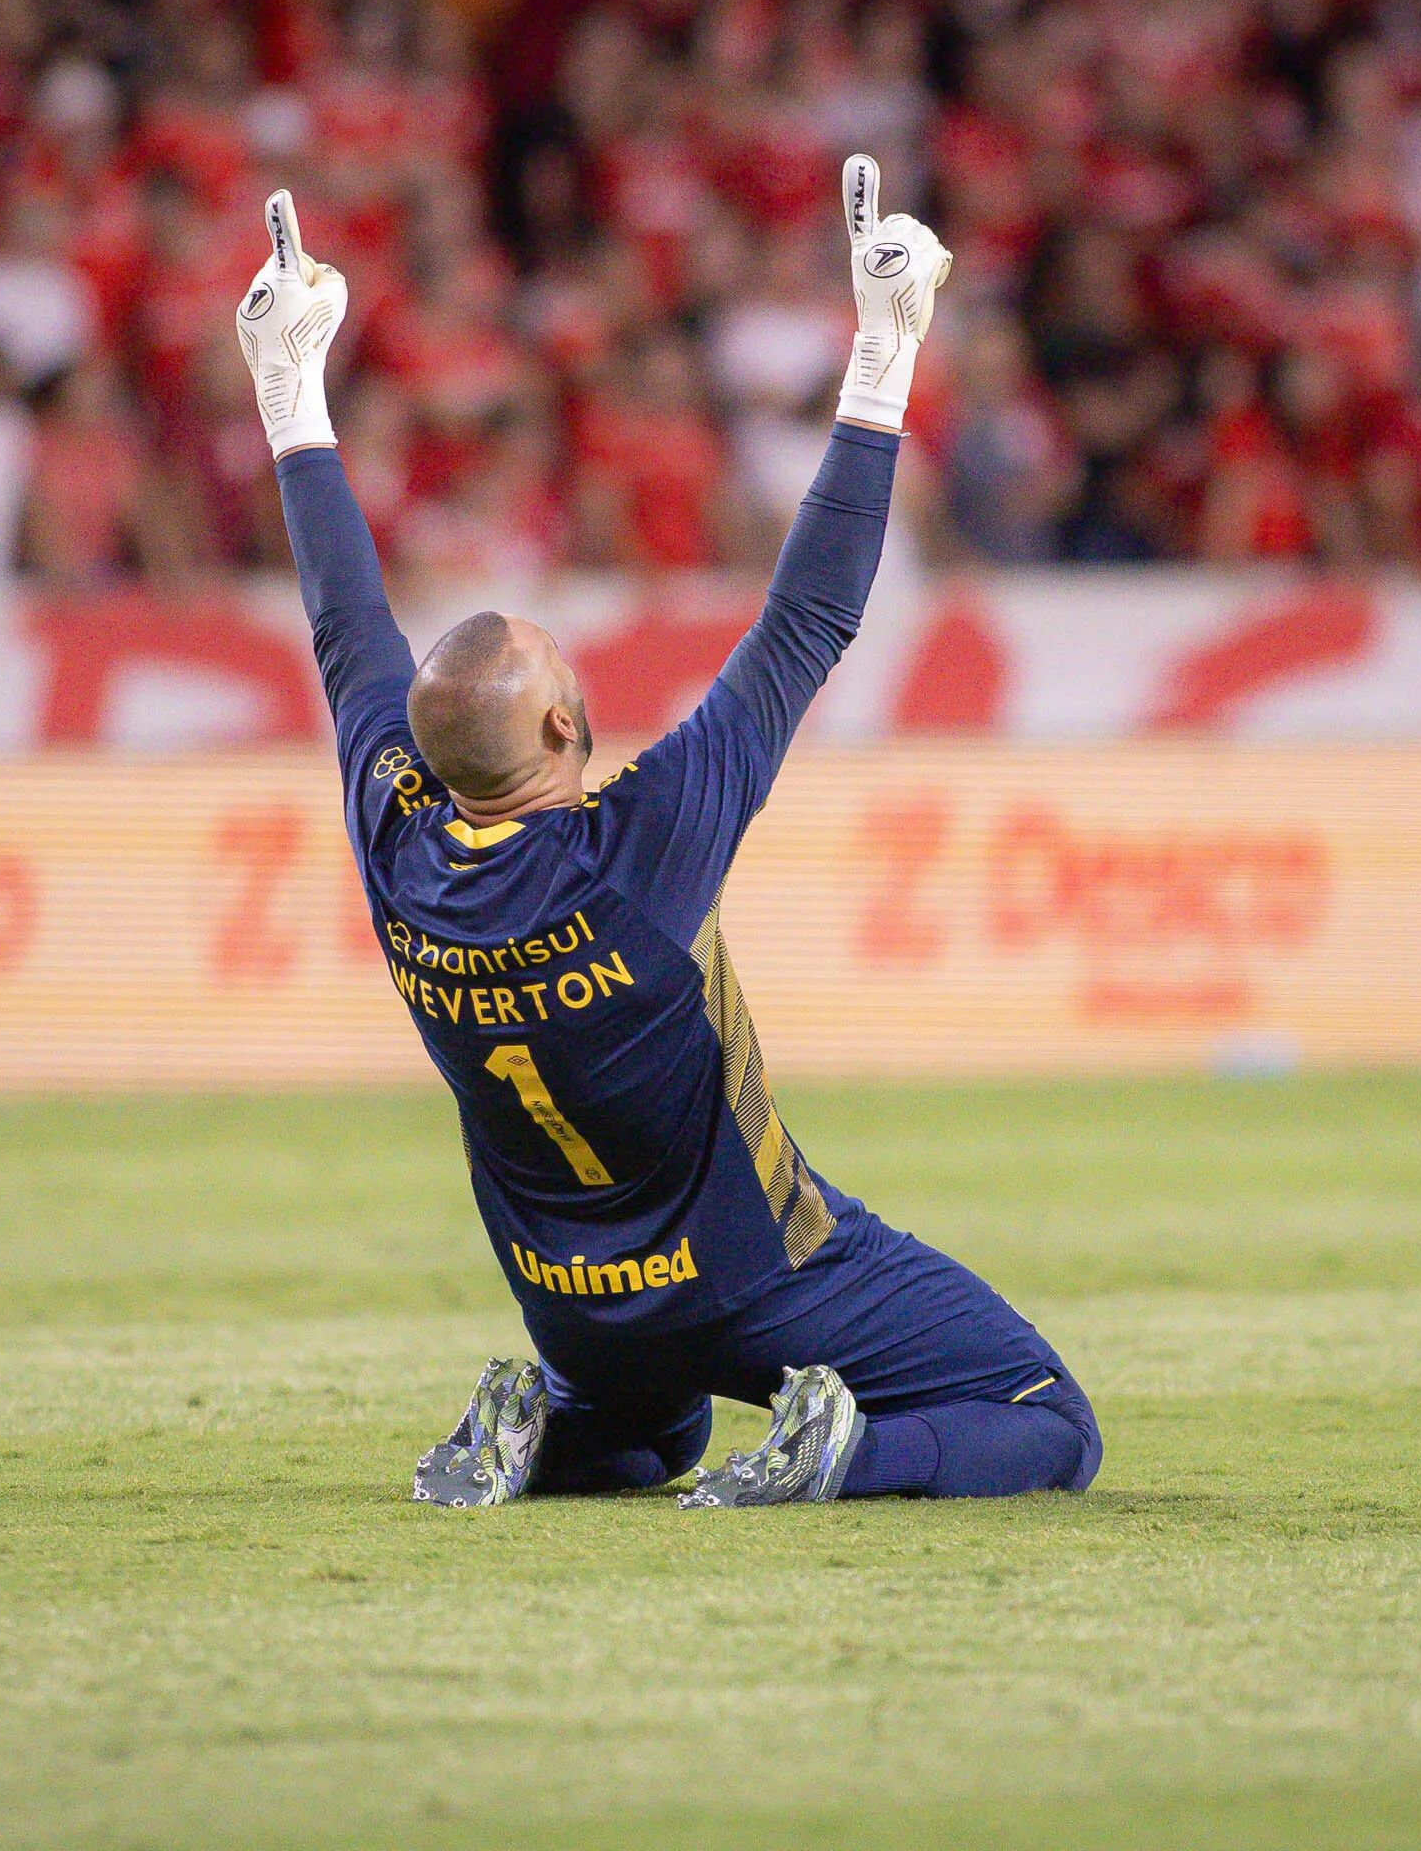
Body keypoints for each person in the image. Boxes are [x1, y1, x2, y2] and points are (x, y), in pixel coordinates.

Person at [240, 160, 1101, 1510]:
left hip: (575, 1312)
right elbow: (808, 622)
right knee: (1045, 1419)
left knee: (669, 1432)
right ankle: (851, 1452)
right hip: (761, 1279)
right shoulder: (637, 850)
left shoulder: (398, 844)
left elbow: (350, 631)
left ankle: (560, 1436)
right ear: (566, 733)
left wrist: (287, 393)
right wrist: (886, 355)